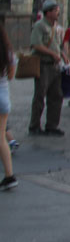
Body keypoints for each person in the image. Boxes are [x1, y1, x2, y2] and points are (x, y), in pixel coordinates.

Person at [29, 0, 67, 136]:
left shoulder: (56, 27)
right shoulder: (39, 26)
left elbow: (58, 45)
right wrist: (52, 54)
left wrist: (63, 55)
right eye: (56, 11)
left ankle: (52, 125)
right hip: (43, 65)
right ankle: (34, 125)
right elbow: (36, 45)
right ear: (48, 12)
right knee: (40, 95)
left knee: (56, 96)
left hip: (55, 66)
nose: (58, 13)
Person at [0, 20, 17, 190]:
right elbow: (11, 76)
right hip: (3, 97)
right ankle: (9, 175)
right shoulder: (8, 51)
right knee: (1, 138)